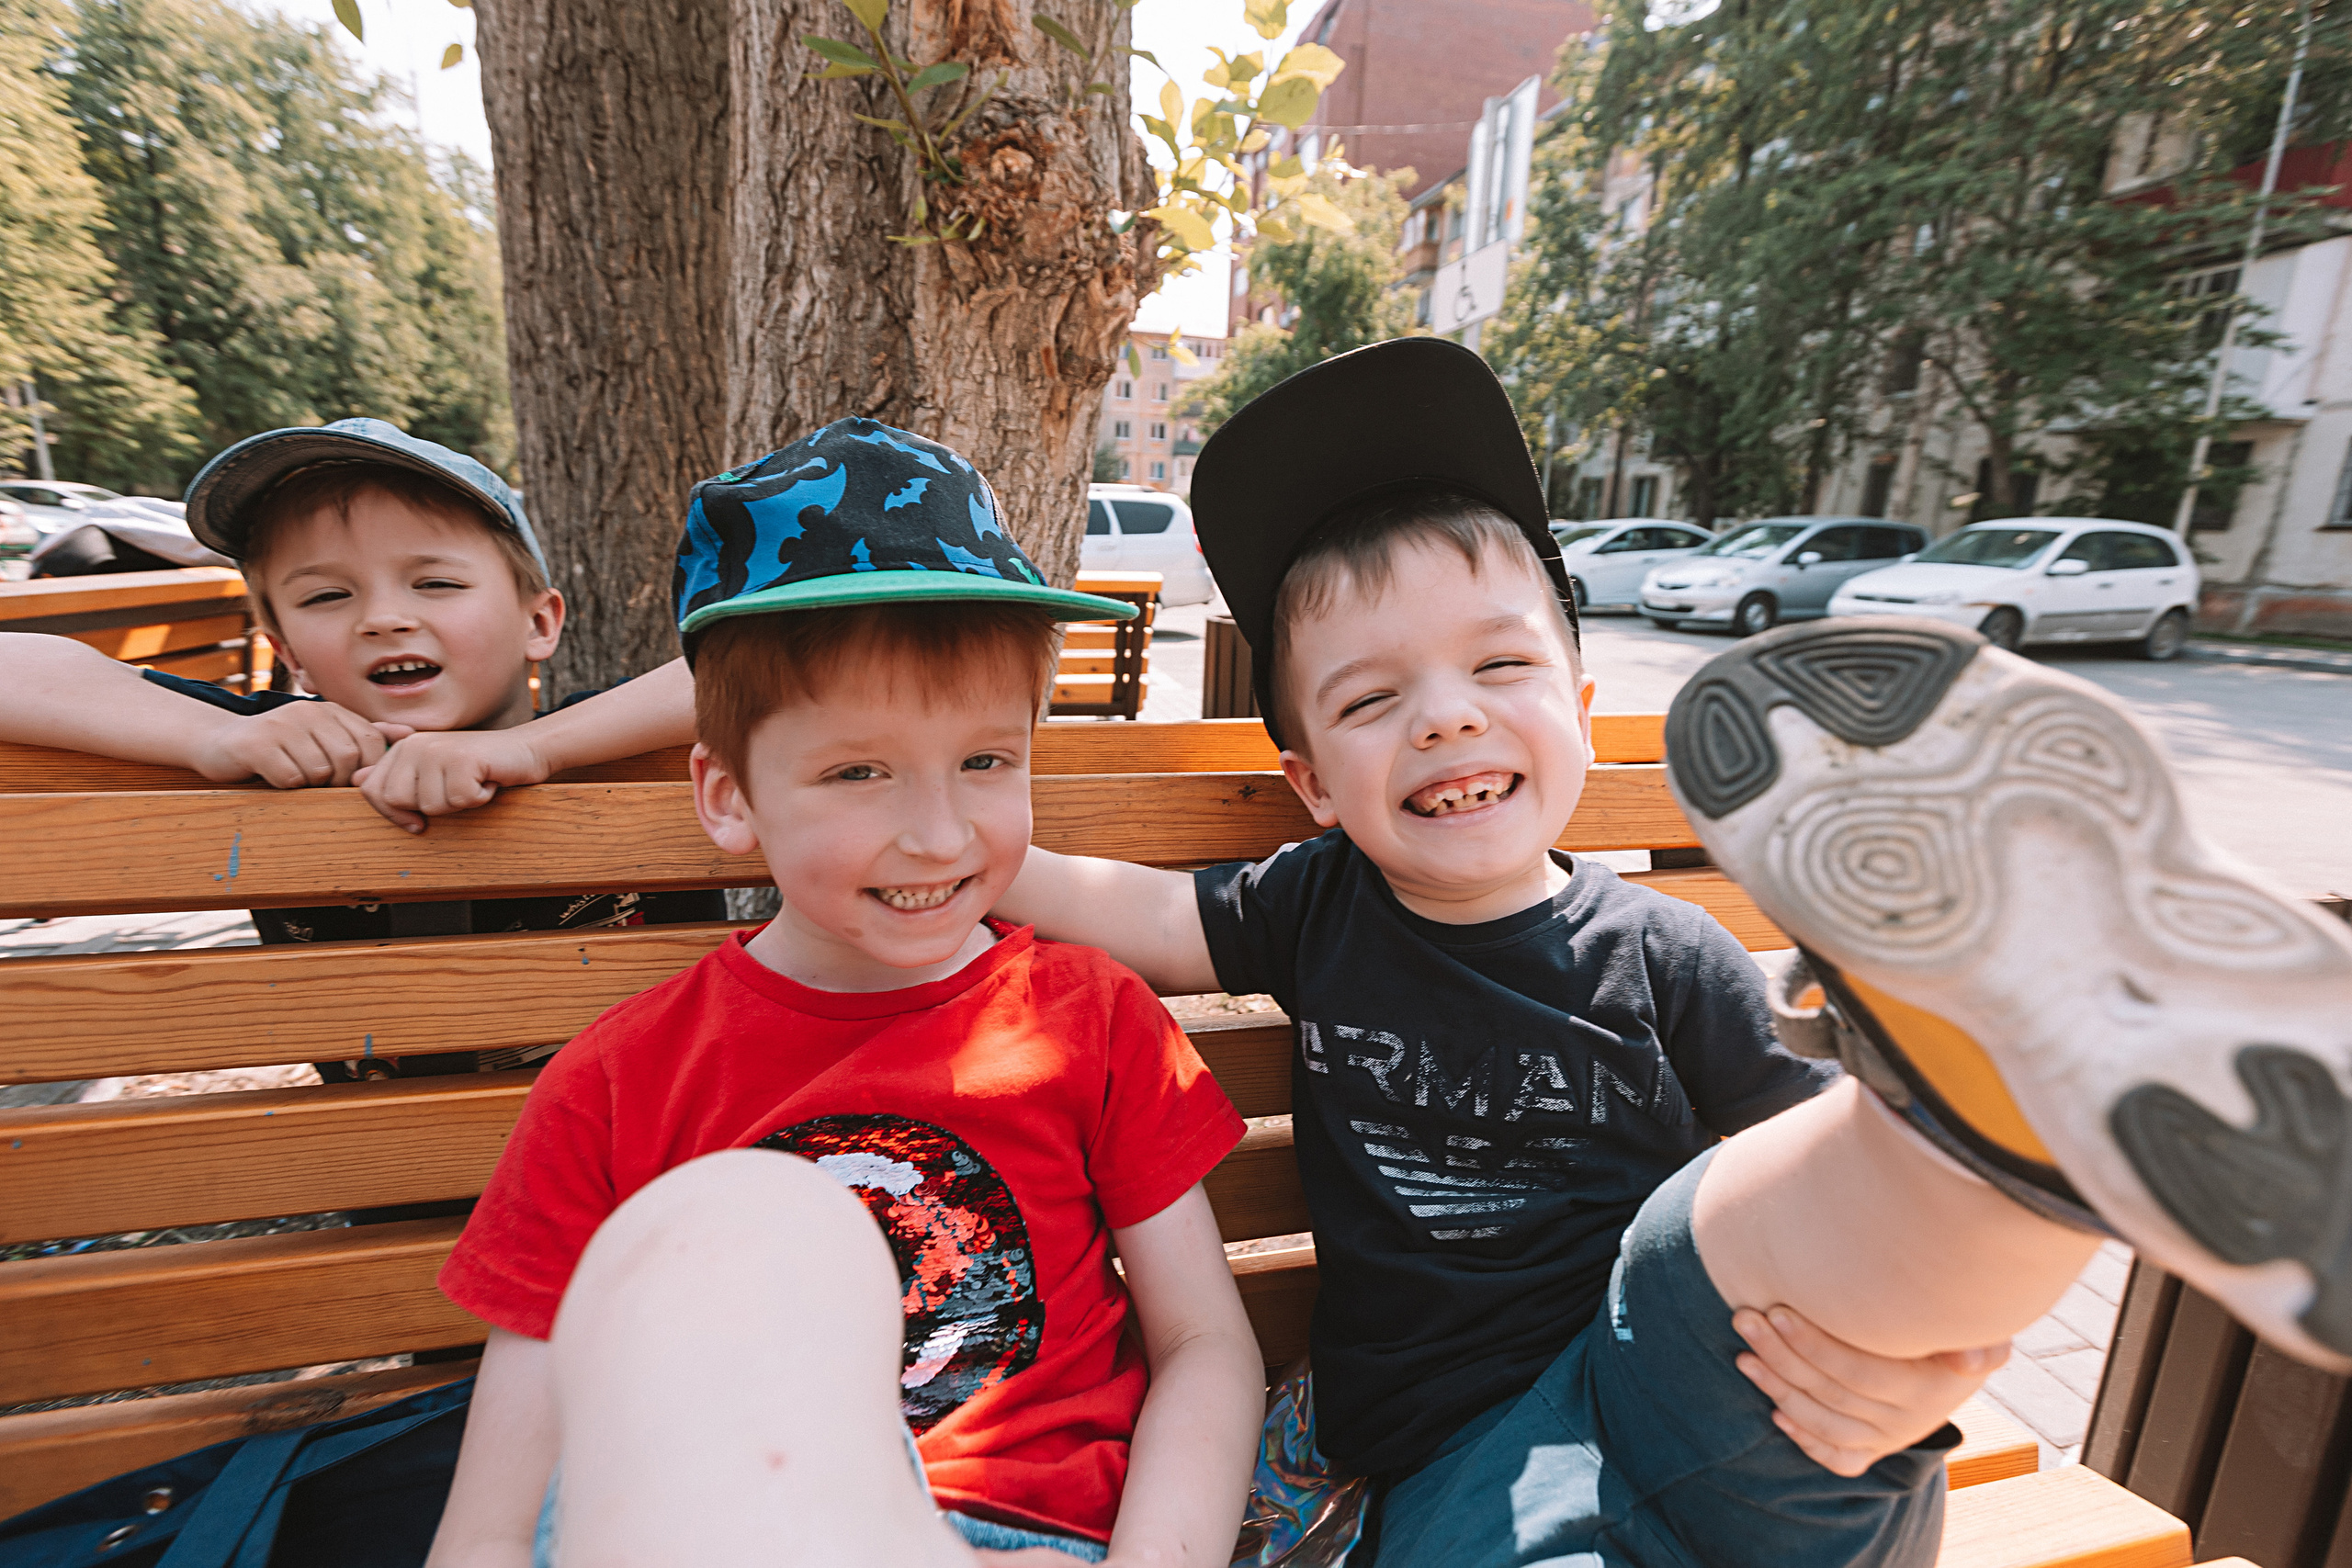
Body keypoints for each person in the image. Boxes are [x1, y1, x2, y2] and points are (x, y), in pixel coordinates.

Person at [993, 337, 2352, 1567]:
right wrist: (981, 846)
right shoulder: (1314, 902)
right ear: (1312, 784)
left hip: (1718, 1386)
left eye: (1500, 669)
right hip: (1461, 1460)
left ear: (1581, 706)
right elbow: (1158, 916)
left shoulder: (1665, 950)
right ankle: (2025, 1096)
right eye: (1373, 697)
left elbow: (1820, 1210)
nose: (1445, 719)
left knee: (1729, 1221)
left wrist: (1940, 1374)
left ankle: (2018, 1109)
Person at [425, 420, 1267, 1568]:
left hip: (1032, 1537)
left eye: (986, 761)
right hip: (709, 1526)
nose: (936, 834)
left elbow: (1206, 1342)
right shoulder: (618, 1082)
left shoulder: (1090, 1016)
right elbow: (504, 1491)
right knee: (735, 1226)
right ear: (728, 797)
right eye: (857, 772)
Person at [0, 419, 721, 1081]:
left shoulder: (604, 738)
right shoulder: (272, 745)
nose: (383, 617)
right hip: (390, 1186)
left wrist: (535, 748)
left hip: (644, 1182)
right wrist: (210, 734)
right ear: (289, 655)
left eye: (435, 582)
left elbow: (764, 667)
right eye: (325, 597)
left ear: (539, 621)